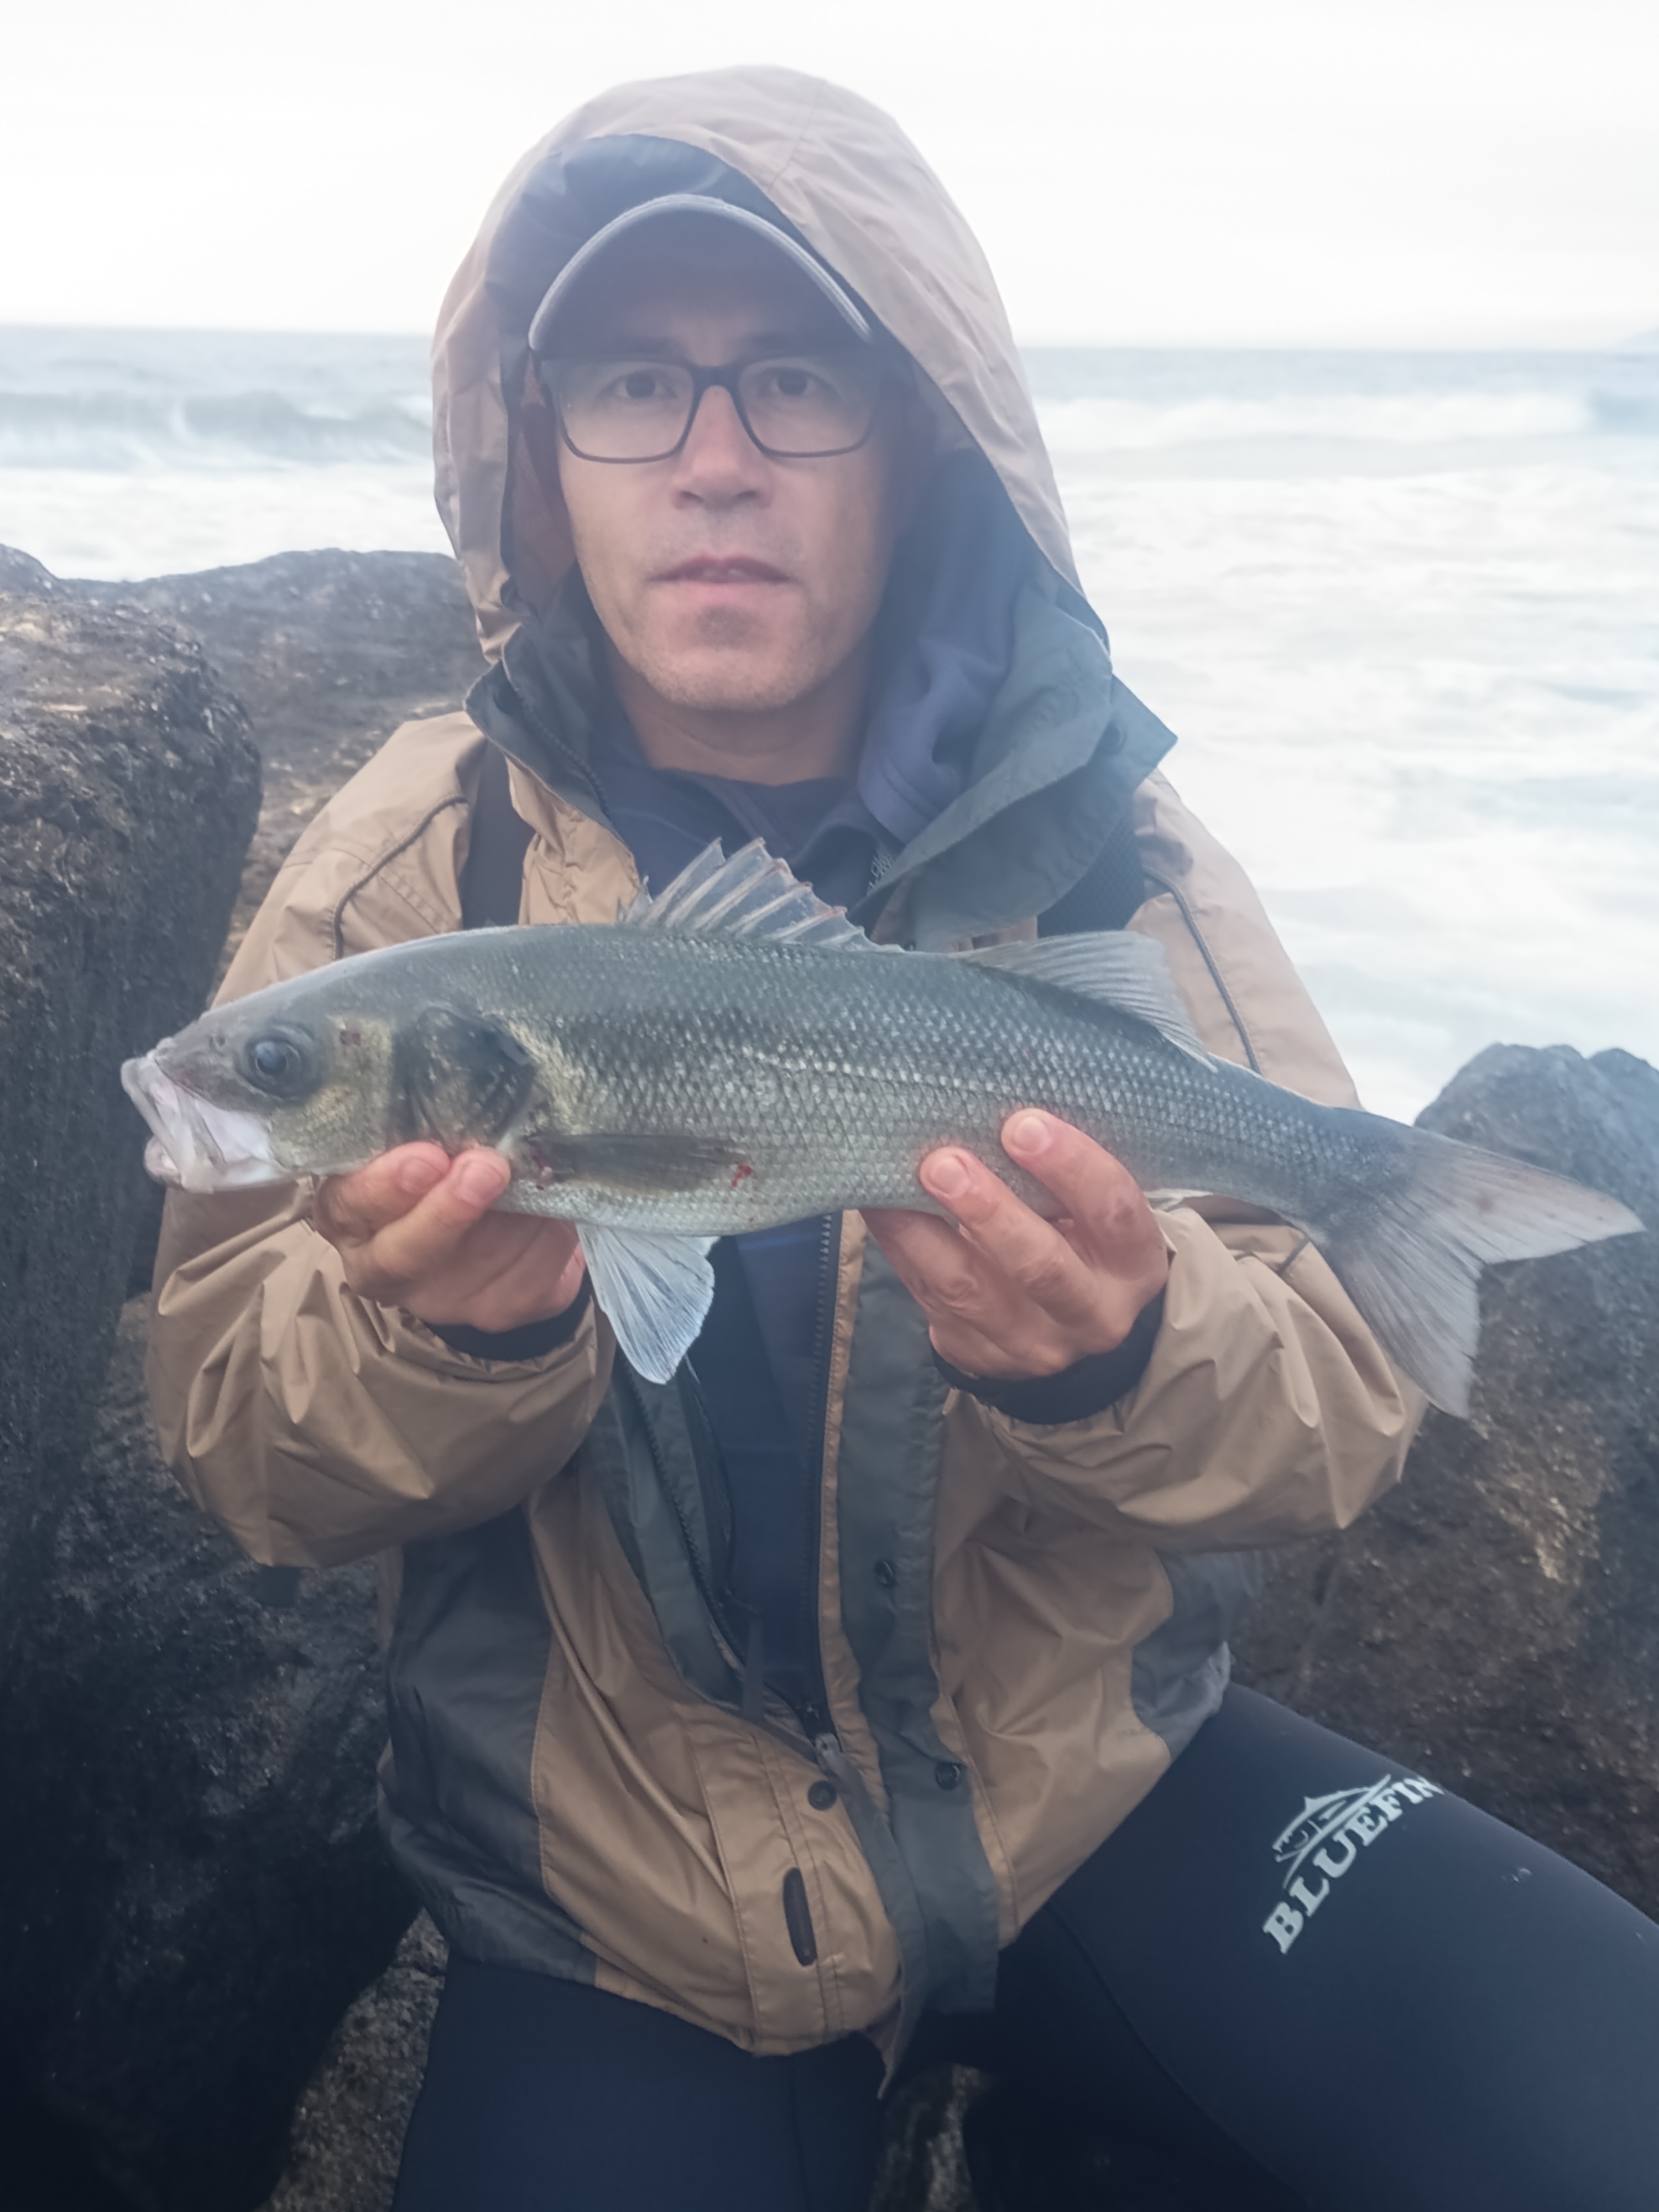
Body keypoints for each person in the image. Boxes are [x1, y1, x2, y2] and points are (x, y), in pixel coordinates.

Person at [147, 67, 1659, 2212]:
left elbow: (1338, 1413)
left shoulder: (1116, 843)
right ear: (537, 444)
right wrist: (453, 1343)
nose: (715, 457)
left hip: (1096, 1800)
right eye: (632, 382)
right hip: (631, 1919)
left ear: (919, 428)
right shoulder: (414, 869)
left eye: (793, 376)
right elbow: (238, 1441)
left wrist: (1121, 1354)